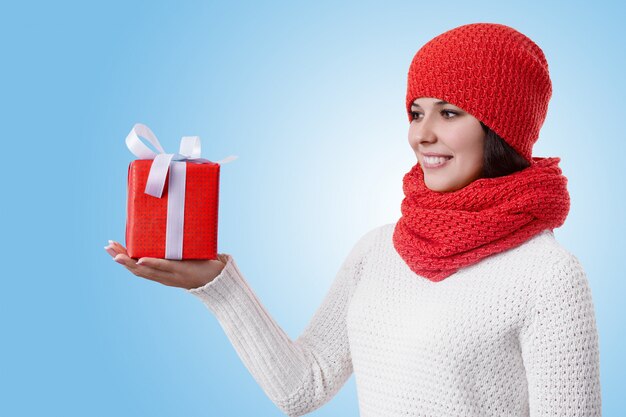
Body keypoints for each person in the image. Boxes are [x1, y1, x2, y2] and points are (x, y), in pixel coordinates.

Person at [104, 22, 602, 416]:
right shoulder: (379, 251)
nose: (420, 135)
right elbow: (305, 386)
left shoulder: (547, 276)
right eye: (415, 112)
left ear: (501, 128)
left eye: (449, 113)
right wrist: (218, 285)